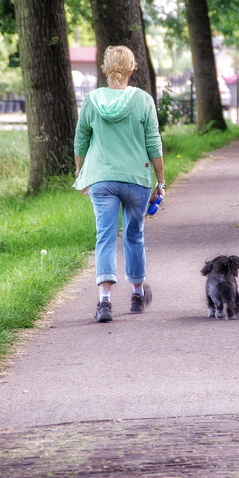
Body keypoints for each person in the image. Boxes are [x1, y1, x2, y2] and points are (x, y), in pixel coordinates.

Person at [73, 45, 165, 323]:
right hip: (136, 178)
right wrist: (161, 180)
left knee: (105, 236)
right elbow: (153, 142)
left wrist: (81, 173)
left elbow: (81, 140)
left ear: (105, 68)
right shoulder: (143, 100)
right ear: (132, 69)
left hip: (101, 178)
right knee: (134, 235)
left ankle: (104, 302)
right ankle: (137, 294)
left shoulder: (92, 100)